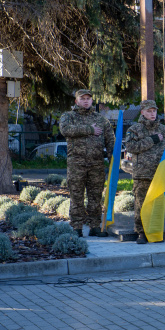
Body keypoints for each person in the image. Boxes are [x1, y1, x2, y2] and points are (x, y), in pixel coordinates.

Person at [59, 89, 115, 237]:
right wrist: (89, 129)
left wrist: (112, 160)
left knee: (95, 196)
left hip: (96, 164)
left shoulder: (101, 120)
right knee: (76, 196)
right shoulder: (68, 116)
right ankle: (76, 227)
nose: (85, 101)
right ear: (76, 101)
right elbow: (65, 130)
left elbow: (110, 141)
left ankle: (95, 226)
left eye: (88, 99)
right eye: (82, 98)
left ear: (92, 101)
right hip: (76, 164)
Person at [124, 100, 165, 245]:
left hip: (160, 173)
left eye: (154, 111)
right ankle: (141, 233)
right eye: (149, 111)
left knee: (157, 204)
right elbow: (131, 147)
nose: (152, 114)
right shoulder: (135, 129)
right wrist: (152, 140)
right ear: (143, 112)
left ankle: (155, 232)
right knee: (141, 204)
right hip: (142, 173)